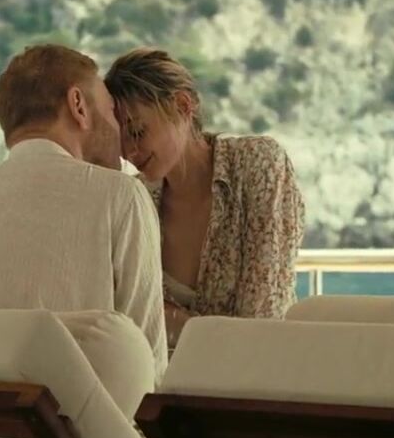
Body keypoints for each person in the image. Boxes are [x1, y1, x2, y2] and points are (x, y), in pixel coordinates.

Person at [0, 43, 167, 376]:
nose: (120, 132)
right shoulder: (121, 197)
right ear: (78, 105)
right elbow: (148, 366)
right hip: (78, 409)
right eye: (112, 111)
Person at [104, 47, 306, 346]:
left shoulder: (257, 163)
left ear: (183, 106)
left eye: (137, 132)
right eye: (120, 142)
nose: (128, 153)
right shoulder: (137, 197)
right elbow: (125, 315)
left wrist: (176, 321)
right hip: (166, 373)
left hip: (258, 368)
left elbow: (261, 319)